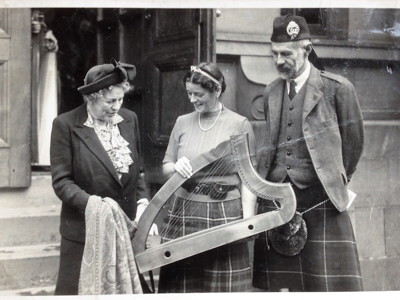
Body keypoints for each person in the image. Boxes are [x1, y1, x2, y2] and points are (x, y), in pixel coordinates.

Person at [253, 15, 364, 292]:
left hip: (321, 202)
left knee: (326, 286)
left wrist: (334, 179)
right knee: (279, 287)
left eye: (286, 54)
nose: (279, 61)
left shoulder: (337, 89)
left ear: (307, 49)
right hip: (278, 202)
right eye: (274, 54)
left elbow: (353, 145)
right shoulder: (271, 92)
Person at [50, 59, 156, 295]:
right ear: (91, 97)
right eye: (110, 101)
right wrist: (96, 205)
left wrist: (142, 205)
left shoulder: (129, 120)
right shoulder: (65, 125)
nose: (116, 106)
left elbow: (137, 168)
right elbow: (62, 182)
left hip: (124, 230)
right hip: (83, 231)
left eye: (120, 99)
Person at [157, 62, 257, 293]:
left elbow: (248, 178)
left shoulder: (239, 124)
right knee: (181, 286)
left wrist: (247, 221)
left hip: (225, 215)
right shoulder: (182, 122)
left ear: (217, 90)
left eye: (198, 94)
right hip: (183, 213)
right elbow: (165, 167)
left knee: (223, 287)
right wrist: (175, 167)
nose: (192, 99)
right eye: (189, 93)